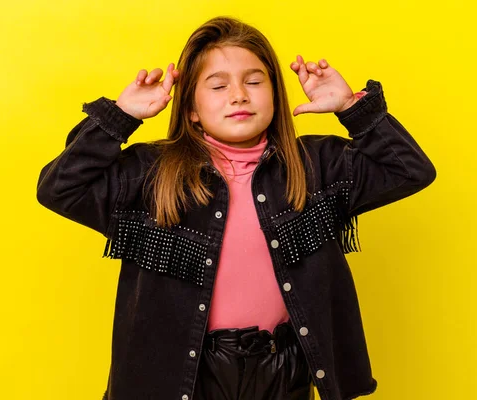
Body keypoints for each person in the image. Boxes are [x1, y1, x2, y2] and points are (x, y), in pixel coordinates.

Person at [36, 16, 436, 400]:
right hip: (181, 377)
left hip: (284, 372)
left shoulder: (318, 167)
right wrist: (120, 119)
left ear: (276, 96)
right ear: (191, 108)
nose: (239, 95)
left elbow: (410, 170)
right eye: (217, 85)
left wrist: (352, 107)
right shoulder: (150, 175)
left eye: (254, 81)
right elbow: (59, 188)